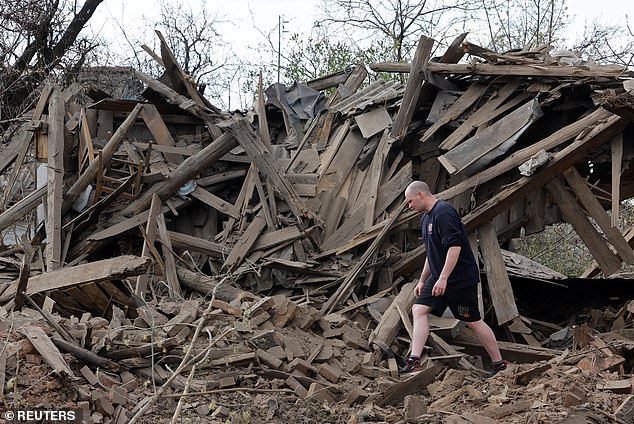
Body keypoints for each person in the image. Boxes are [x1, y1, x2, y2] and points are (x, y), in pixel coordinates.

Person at [400, 180, 507, 376]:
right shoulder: (425, 219)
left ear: (421, 195)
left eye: (410, 201)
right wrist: (423, 280)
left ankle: (499, 364)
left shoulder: (444, 212)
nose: (410, 206)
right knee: (419, 309)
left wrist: (443, 278)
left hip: (459, 279)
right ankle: (414, 359)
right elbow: (430, 253)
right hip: (439, 276)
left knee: (472, 321)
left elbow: (454, 248)